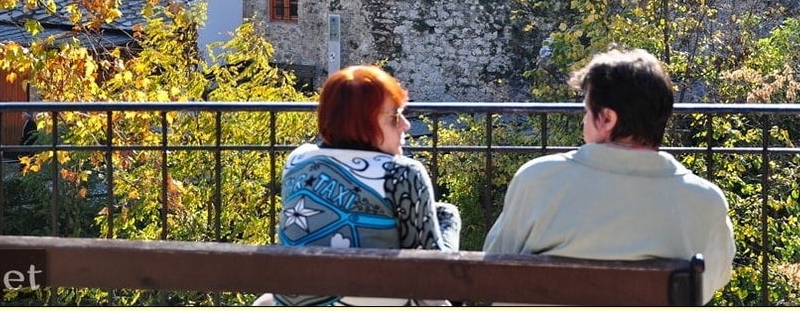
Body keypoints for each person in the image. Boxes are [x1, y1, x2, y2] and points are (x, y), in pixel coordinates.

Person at [483, 48, 735, 305]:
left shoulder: (537, 181)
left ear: (606, 119)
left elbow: (493, 272)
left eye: (586, 112)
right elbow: (711, 282)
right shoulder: (706, 202)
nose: (583, 122)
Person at [262, 64, 460, 307]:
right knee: (446, 215)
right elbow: (431, 278)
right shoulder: (402, 173)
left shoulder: (298, 159)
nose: (406, 125)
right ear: (362, 123)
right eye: (394, 116)